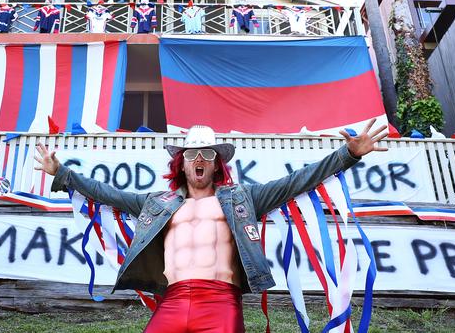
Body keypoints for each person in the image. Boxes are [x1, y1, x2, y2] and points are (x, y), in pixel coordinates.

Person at [34, 120, 388, 332]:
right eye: (191, 155)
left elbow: (297, 181)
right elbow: (104, 193)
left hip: (220, 301)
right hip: (171, 301)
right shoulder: (157, 203)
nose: (199, 160)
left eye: (207, 155)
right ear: (181, 164)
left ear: (218, 164)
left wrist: (348, 154)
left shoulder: (243, 198)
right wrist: (62, 174)